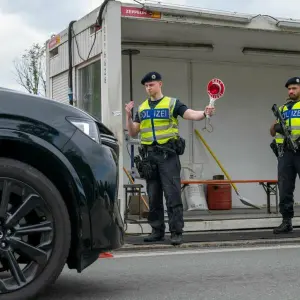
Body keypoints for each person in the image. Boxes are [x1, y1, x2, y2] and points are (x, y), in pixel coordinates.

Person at [125, 71, 215, 245]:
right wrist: (129, 116)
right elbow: (133, 131)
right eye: (146, 86)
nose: (148, 88)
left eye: (151, 85)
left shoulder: (171, 103)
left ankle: (176, 232)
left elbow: (190, 114)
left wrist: (204, 112)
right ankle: (157, 231)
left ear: (160, 84)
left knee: (172, 194)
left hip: (168, 156)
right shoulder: (142, 108)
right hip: (150, 157)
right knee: (153, 195)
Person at [270, 76, 300, 234]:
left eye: (294, 88)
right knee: (285, 188)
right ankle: (286, 221)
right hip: (286, 153)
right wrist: (276, 127)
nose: (291, 91)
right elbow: (271, 131)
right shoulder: (282, 109)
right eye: (289, 89)